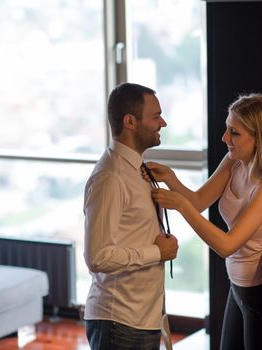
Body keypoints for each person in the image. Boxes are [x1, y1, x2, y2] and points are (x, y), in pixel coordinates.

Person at [144, 93, 262, 350]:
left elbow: (227, 245)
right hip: (237, 285)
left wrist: (180, 206)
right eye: (227, 129)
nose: (225, 138)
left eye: (234, 133)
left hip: (256, 291)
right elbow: (200, 200)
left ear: (258, 138)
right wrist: (171, 178)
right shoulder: (234, 163)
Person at [83, 82, 179, 350]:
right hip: (119, 324)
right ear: (130, 121)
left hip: (143, 318)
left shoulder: (138, 170)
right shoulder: (110, 177)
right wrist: (156, 252)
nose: (163, 123)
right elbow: (97, 256)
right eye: (156, 116)